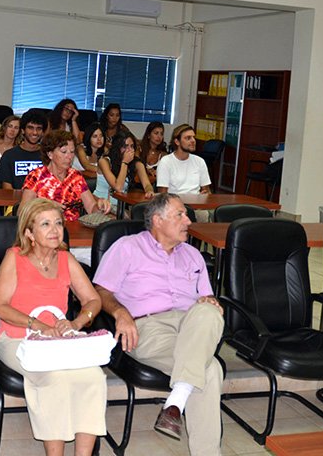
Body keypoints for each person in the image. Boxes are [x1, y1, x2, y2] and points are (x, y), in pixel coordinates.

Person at [93, 193, 224, 456]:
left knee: (208, 311)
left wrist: (211, 302)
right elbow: (101, 291)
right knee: (210, 370)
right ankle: (182, 408)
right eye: (180, 215)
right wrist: (120, 313)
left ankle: (176, 401)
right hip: (148, 327)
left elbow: (207, 299)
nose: (188, 221)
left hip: (191, 327)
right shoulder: (127, 247)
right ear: (157, 220)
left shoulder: (194, 255)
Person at [0, 198, 106, 456]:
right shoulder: (14, 258)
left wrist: (76, 322)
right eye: (45, 224)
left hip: (57, 342)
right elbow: (0, 307)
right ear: (29, 233)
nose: (55, 230)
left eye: (58, 223)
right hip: (17, 338)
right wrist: (38, 325)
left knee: (94, 377)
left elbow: (93, 300)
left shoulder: (66, 259)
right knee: (56, 379)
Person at [20, 129, 111, 223]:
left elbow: (91, 208)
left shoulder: (76, 177)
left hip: (74, 228)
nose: (69, 156)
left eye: (72, 152)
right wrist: (44, 206)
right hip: (45, 226)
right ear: (50, 154)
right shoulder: (36, 176)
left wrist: (100, 207)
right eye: (64, 152)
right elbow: (22, 211)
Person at [95, 131, 153, 209]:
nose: (129, 150)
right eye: (125, 146)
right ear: (117, 148)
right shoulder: (104, 162)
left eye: (132, 146)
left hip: (119, 206)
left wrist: (149, 191)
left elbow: (147, 185)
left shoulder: (137, 163)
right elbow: (118, 188)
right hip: (100, 204)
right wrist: (125, 163)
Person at [0, 109, 47, 190]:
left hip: (43, 197)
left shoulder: (48, 156)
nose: (35, 132)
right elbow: (7, 189)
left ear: (43, 132)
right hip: (15, 197)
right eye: (30, 128)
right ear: (23, 130)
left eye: (39, 128)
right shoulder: (9, 156)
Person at [156, 124, 211, 196]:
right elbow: (162, 195)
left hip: (196, 201)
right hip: (174, 201)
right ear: (177, 142)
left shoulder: (200, 161)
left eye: (193, 137)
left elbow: (206, 190)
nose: (193, 141)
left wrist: (205, 195)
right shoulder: (166, 162)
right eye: (188, 138)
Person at [140, 121, 168, 187]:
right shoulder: (139, 150)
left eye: (161, 134)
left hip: (156, 187)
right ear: (149, 135)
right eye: (156, 133)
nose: (159, 136)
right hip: (138, 185)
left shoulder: (164, 155)